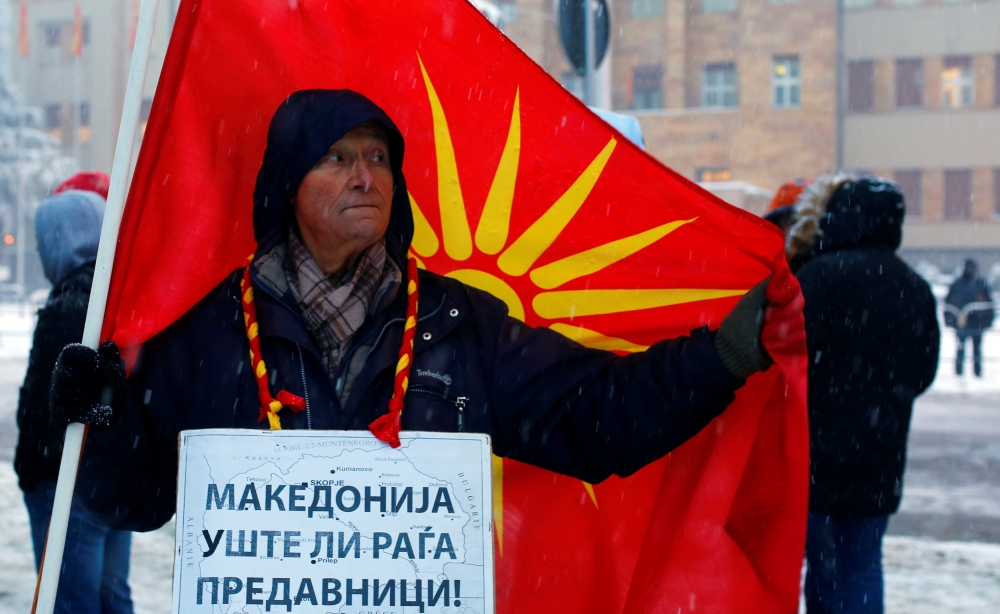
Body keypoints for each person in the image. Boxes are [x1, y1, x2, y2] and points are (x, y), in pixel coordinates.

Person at [49, 89, 775, 534]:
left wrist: (725, 354)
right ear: (286, 185)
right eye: (336, 158)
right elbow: (132, 505)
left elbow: (596, 418)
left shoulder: (455, 324)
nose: (366, 176)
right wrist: (104, 421)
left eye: (378, 157)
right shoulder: (211, 329)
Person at [778, 174, 938, 614]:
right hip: (880, 455)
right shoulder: (914, 286)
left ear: (837, 218)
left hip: (812, 451)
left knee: (798, 563)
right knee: (862, 564)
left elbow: (784, 356)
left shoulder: (819, 277)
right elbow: (923, 372)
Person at [14, 189, 145, 614]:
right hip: (110, 481)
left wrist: (32, 474)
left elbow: (45, 412)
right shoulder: (120, 293)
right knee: (113, 606)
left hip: (65, 488)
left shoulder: (71, 303)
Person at [944, 259, 994, 377]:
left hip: (977, 323)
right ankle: (959, 373)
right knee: (960, 349)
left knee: (977, 350)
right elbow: (949, 303)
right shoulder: (957, 284)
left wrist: (987, 320)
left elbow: (988, 304)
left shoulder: (980, 284)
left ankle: (977, 373)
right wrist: (951, 320)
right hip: (961, 323)